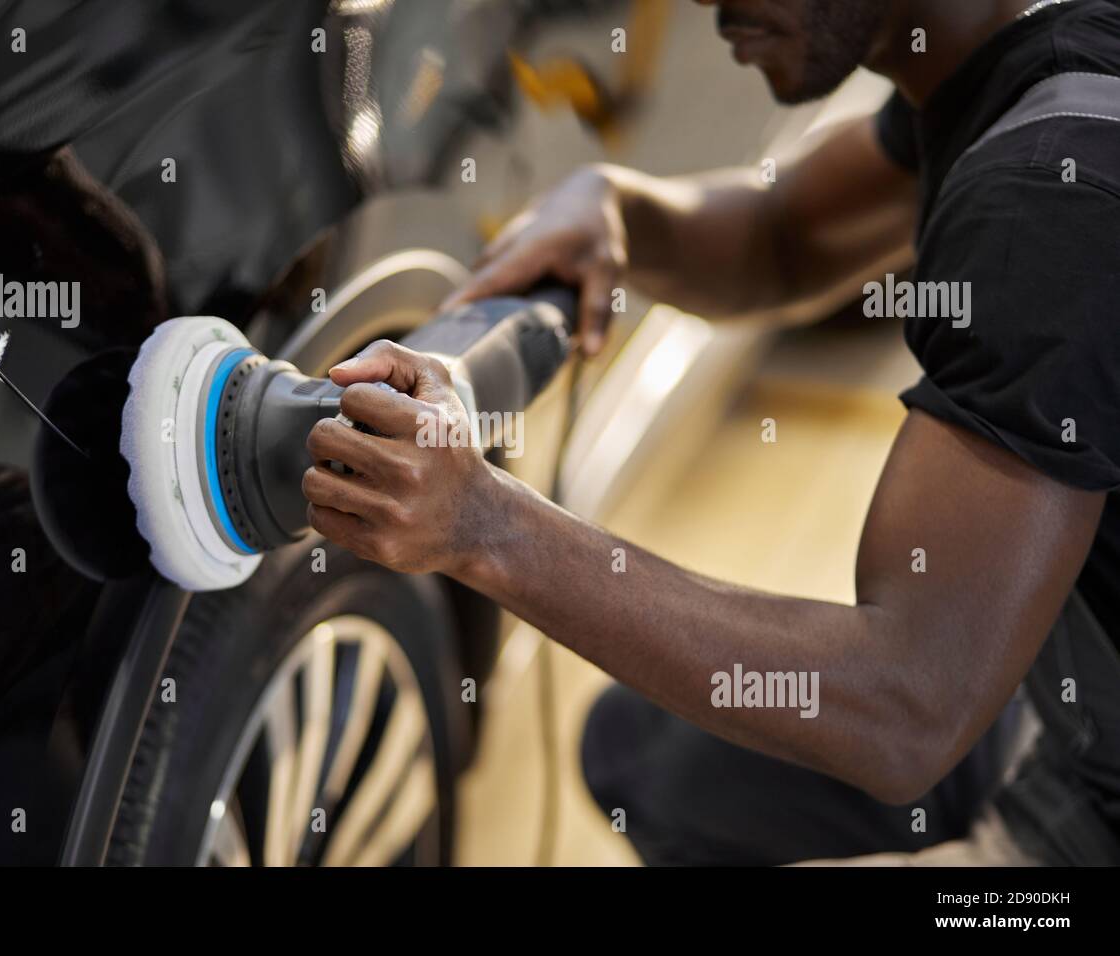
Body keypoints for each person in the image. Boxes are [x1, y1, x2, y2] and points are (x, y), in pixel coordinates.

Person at [300, 0, 1120, 864]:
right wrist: (613, 207)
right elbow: (785, 240)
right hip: (1064, 727)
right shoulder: (1017, 62)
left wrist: (483, 525)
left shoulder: (1045, 198)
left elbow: (904, 709)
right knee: (648, 759)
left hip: (1078, 810)